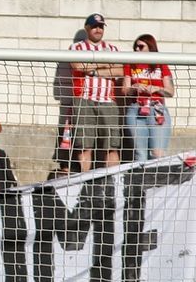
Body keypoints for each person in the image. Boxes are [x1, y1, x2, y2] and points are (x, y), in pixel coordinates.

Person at [67, 13, 121, 172]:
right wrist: (105, 65)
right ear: (87, 28)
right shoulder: (76, 47)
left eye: (101, 26)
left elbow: (119, 71)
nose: (98, 30)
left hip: (108, 101)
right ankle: (85, 181)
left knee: (111, 146)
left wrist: (93, 69)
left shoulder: (113, 49)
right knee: (84, 145)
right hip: (84, 99)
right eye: (94, 26)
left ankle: (113, 182)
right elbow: (78, 66)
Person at [122, 34, 175, 162]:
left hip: (157, 109)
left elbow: (170, 91)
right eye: (135, 47)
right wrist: (134, 87)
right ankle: (141, 181)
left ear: (150, 47)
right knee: (140, 155)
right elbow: (125, 90)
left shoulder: (160, 64)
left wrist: (156, 89)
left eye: (141, 46)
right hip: (137, 109)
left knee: (158, 154)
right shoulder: (130, 64)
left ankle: (156, 181)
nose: (137, 50)